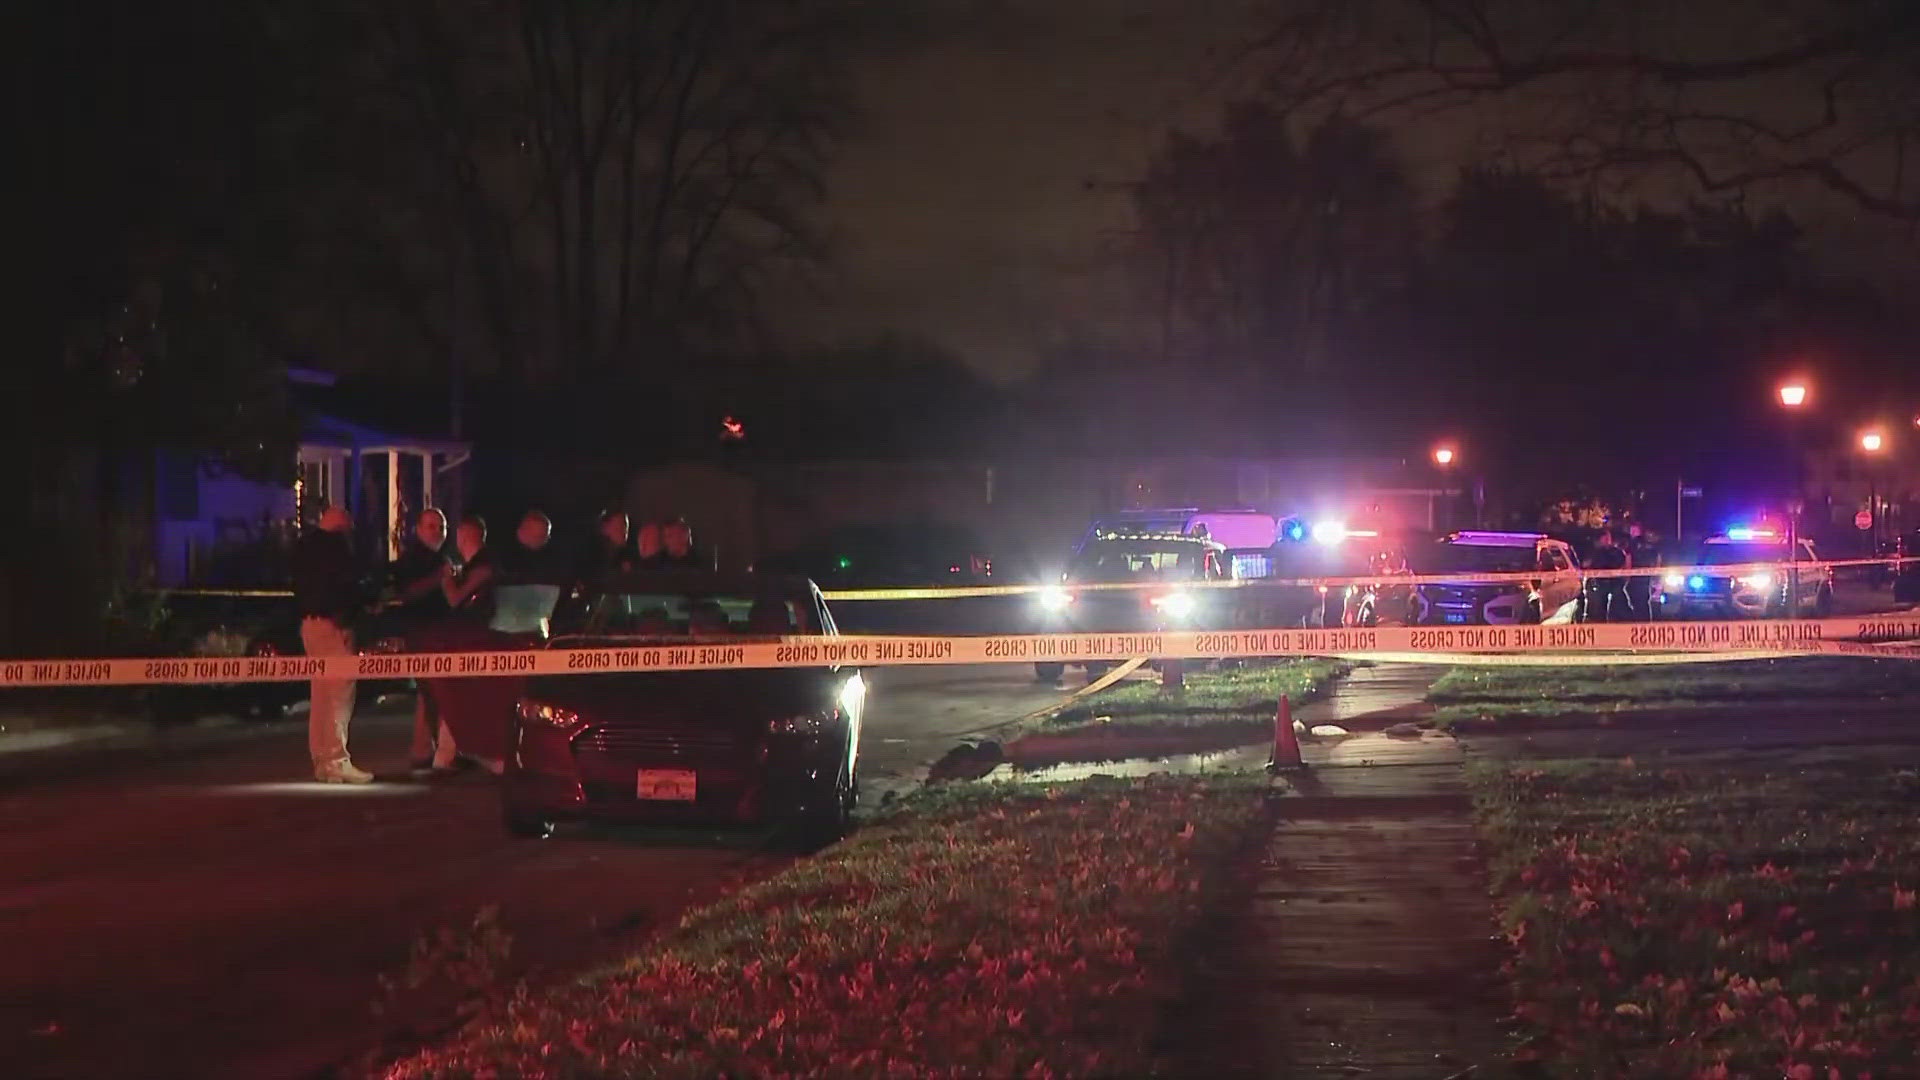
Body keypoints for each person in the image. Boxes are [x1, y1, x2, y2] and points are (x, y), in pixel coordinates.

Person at [291, 505, 373, 783]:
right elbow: (347, 587)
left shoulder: (303, 548)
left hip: (310, 625)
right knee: (339, 693)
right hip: (334, 626)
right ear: (342, 527)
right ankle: (337, 760)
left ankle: (322, 761)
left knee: (321, 694)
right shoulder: (337, 549)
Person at [391, 509, 458, 775]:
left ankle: (425, 750)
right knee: (433, 692)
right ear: (418, 529)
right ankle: (435, 753)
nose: (437, 531)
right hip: (423, 631)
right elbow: (408, 593)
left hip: (438, 631)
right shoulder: (414, 560)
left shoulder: (442, 557)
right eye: (430, 526)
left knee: (430, 693)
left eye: (441, 526)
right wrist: (439, 578)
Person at [1585, 529, 1630, 622]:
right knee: (1598, 609)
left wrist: (1623, 578)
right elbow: (1586, 565)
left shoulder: (1616, 551)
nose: (1607, 540)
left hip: (1614, 583)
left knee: (1619, 605)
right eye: (1605, 538)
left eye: (1608, 538)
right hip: (1599, 583)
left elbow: (1623, 564)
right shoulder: (1594, 552)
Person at [502, 509, 556, 577]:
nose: (547, 539)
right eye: (541, 536)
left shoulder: (550, 560)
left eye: (546, 535)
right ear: (521, 533)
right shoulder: (503, 561)